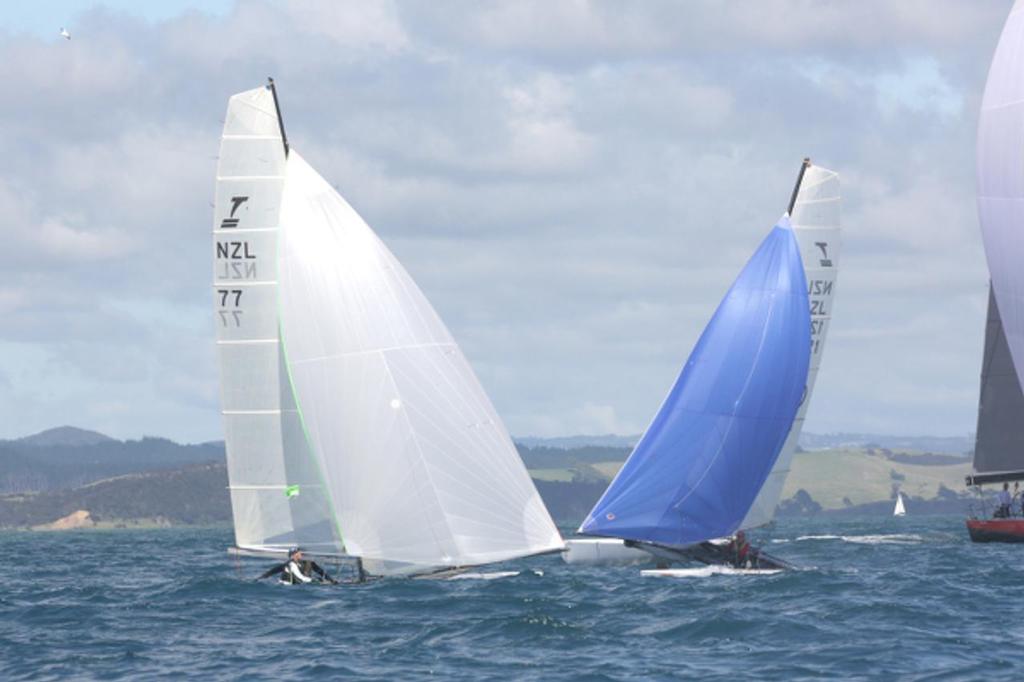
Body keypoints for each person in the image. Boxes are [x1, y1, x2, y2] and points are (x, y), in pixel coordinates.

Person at [257, 547, 337, 585]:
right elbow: (300, 578)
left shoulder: (307, 562)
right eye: (296, 553)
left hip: (301, 585)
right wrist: (316, 581)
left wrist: (331, 581)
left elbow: (320, 571)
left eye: (298, 552)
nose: (299, 554)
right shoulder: (291, 564)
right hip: (288, 588)